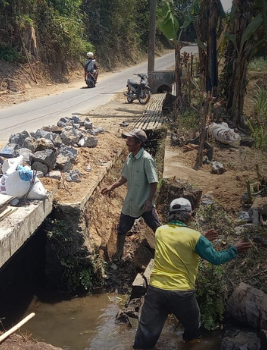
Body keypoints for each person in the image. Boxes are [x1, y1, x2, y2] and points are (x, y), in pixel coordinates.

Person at [133, 197, 252, 349]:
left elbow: (178, 242)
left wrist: (202, 239)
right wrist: (234, 249)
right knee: (193, 330)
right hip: (181, 293)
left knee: (144, 338)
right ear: (189, 215)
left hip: (156, 291)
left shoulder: (160, 232)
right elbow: (216, 259)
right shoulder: (195, 237)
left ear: (170, 214)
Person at [101, 129, 160, 260]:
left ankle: (165, 252)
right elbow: (124, 178)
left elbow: (154, 181)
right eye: (127, 139)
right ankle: (118, 254)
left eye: (130, 140)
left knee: (158, 229)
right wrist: (111, 187)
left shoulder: (146, 160)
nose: (127, 142)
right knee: (122, 229)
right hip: (131, 201)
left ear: (139, 143)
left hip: (145, 202)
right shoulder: (130, 158)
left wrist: (150, 200)